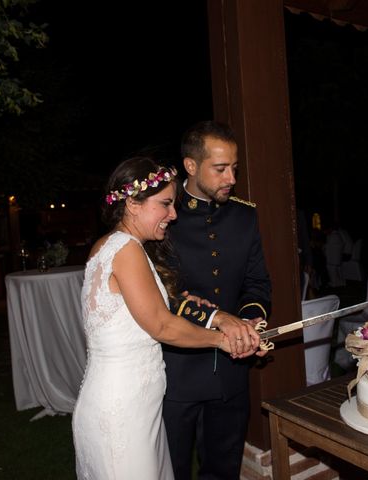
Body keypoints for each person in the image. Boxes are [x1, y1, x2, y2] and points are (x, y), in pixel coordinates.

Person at [72, 156, 261, 480]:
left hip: (133, 404)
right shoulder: (126, 249)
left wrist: (196, 309)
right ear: (132, 203)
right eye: (165, 205)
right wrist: (223, 340)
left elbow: (141, 310)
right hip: (123, 411)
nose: (172, 215)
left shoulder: (112, 246)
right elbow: (160, 324)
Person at [163, 121, 271, 480]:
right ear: (190, 167)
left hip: (231, 374)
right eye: (221, 169)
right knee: (172, 468)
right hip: (175, 372)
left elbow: (256, 282)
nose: (232, 179)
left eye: (234, 168)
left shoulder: (244, 216)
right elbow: (161, 294)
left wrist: (250, 321)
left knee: (224, 470)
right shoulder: (163, 218)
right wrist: (219, 320)